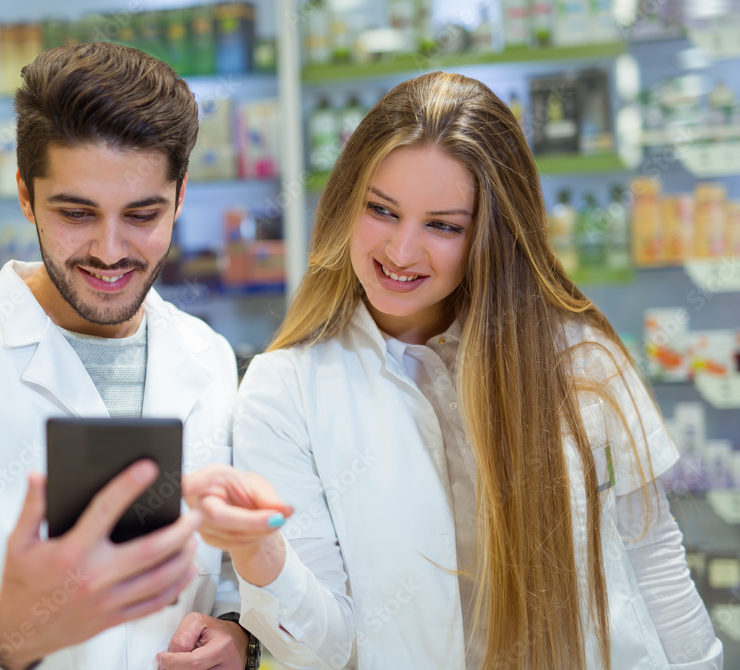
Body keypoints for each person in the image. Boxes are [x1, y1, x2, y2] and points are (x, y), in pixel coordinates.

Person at [183, 71, 724, 669]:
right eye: (382, 210)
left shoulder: (581, 355)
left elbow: (653, 561)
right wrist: (263, 555)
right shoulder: (285, 391)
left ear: (492, 236)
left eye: (443, 226)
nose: (401, 251)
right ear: (345, 204)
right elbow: (322, 650)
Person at [0, 42, 258, 670]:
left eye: (142, 214)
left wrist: (236, 636)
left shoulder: (207, 355)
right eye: (77, 213)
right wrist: (2, 631)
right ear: (27, 196)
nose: (110, 251)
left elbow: (224, 574)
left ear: (181, 197)